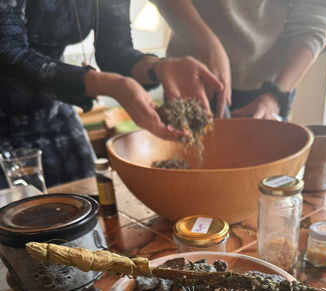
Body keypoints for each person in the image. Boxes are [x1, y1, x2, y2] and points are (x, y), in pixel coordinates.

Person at [0, 0, 222, 189]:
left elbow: (115, 50)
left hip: (49, 107)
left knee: (84, 208)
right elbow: (8, 50)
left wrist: (159, 67)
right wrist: (110, 85)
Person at [152, 0, 326, 120]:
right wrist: (208, 46)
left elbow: (314, 18)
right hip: (190, 77)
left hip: (267, 89)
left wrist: (276, 94)